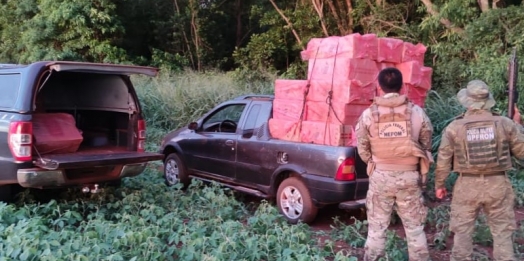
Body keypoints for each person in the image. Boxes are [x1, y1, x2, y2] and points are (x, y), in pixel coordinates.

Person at [435, 79, 524, 261]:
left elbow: (443, 160)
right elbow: (522, 152)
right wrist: (518, 125)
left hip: (466, 185)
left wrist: (439, 184)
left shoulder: (455, 127)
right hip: (498, 184)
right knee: (502, 235)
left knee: (462, 234)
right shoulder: (505, 123)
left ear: (467, 101)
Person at [356, 67, 434, 261]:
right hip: (409, 176)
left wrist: (375, 163)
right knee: (415, 229)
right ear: (403, 86)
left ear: (379, 86)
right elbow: (427, 144)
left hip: (381, 176)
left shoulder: (368, 114)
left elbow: (362, 147)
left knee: (376, 230)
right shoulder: (417, 113)